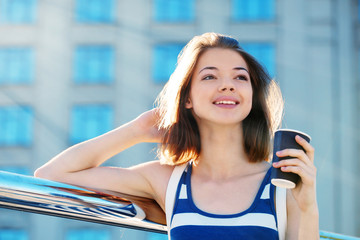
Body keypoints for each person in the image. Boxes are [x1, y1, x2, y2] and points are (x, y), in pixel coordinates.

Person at [35, 32, 319, 239]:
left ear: (252, 97)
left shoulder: (283, 182)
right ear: (187, 98)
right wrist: (137, 129)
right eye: (210, 76)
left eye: (240, 77)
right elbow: (51, 175)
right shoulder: (168, 180)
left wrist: (308, 206)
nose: (228, 86)